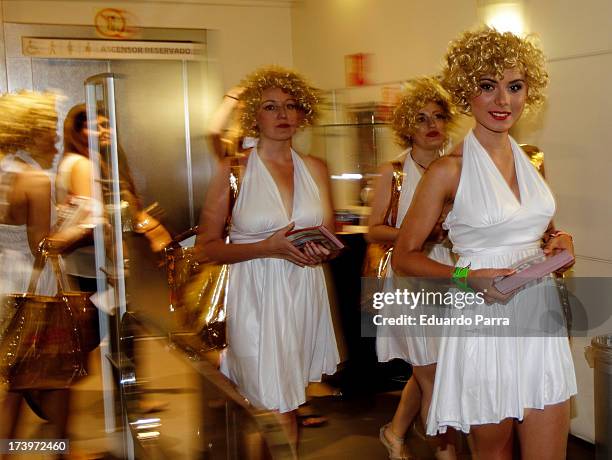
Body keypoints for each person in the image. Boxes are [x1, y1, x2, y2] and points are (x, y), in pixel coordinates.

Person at [391, 27, 577, 459]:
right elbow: (405, 258)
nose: (503, 101)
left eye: (514, 87)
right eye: (487, 87)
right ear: (465, 92)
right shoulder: (448, 171)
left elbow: (543, 231)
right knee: (491, 452)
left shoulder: (533, 158)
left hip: (540, 317)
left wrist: (559, 240)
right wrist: (466, 275)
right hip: (481, 318)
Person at [196, 65, 340, 446]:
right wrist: (267, 247)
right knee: (277, 406)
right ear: (253, 116)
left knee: (285, 403)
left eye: (291, 106)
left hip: (303, 292)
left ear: (303, 113)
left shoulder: (316, 168)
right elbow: (207, 247)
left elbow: (329, 233)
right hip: (255, 295)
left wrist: (320, 252)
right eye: (271, 107)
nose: (283, 115)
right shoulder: (234, 170)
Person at [368, 77, 457, 460]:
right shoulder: (394, 172)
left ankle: (394, 431)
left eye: (437, 116)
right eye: (420, 119)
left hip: (449, 274)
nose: (430, 125)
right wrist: (418, 232)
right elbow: (373, 230)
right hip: (408, 276)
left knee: (432, 369)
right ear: (407, 127)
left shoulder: (458, 168)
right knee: (435, 376)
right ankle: (446, 451)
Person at [0, 91, 64, 444]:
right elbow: (41, 246)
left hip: (2, 281)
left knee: (12, 384)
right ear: (30, 131)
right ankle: (53, 448)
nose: (55, 136)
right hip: (30, 286)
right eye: (49, 128)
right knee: (38, 380)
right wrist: (78, 227)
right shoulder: (36, 180)